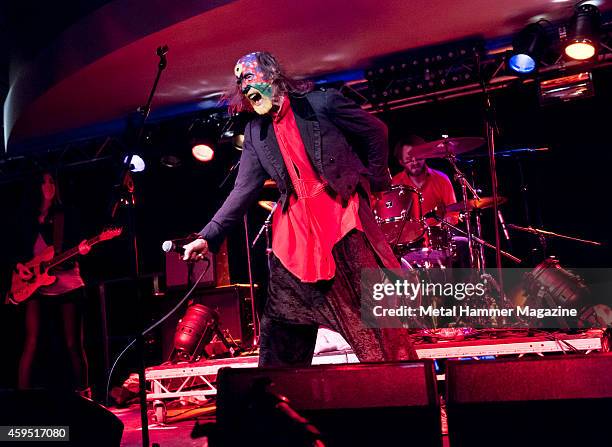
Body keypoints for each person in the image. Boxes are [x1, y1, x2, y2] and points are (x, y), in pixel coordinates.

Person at [184, 51, 417, 367]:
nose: (243, 85)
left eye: (249, 76)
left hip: (341, 221)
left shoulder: (323, 103)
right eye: (240, 82)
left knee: (375, 327)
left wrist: (375, 183)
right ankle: (278, 402)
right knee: (281, 330)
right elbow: (243, 190)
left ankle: (404, 393)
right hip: (296, 239)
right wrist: (207, 236)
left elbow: (376, 131)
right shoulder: (256, 132)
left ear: (273, 75)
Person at [8, 172, 90, 394]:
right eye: (43, 181)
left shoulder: (65, 215)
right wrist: (19, 265)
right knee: (32, 340)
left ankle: (85, 394)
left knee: (73, 343)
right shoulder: (26, 217)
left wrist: (80, 250)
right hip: (35, 281)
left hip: (66, 281)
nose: (48, 186)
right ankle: (22, 398)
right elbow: (13, 249)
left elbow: (75, 247)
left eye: (52, 181)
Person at [392, 135, 458, 226]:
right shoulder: (394, 184)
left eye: (418, 157)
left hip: (438, 236)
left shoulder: (442, 179)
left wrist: (446, 223)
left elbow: (453, 212)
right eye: (409, 159)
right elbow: (393, 219)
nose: (415, 162)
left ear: (425, 155)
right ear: (401, 162)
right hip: (409, 237)